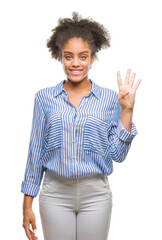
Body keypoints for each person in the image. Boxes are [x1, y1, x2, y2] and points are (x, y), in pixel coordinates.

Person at [21, 12, 141, 240]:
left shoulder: (109, 99)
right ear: (60, 57)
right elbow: (35, 152)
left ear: (92, 58)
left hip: (96, 194)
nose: (75, 63)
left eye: (83, 57)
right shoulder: (44, 98)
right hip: (55, 193)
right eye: (69, 56)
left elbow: (118, 154)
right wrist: (27, 205)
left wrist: (127, 109)